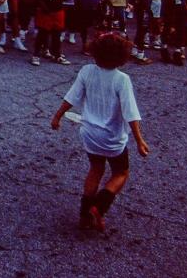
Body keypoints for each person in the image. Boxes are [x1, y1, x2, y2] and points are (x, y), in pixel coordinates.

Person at [51, 32, 150, 232]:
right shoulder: (122, 79)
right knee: (121, 173)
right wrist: (139, 140)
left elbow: (72, 97)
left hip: (89, 133)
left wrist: (57, 116)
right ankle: (99, 207)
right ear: (122, 56)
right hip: (112, 137)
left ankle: (84, 216)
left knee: (96, 169)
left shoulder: (87, 71)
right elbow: (130, 112)